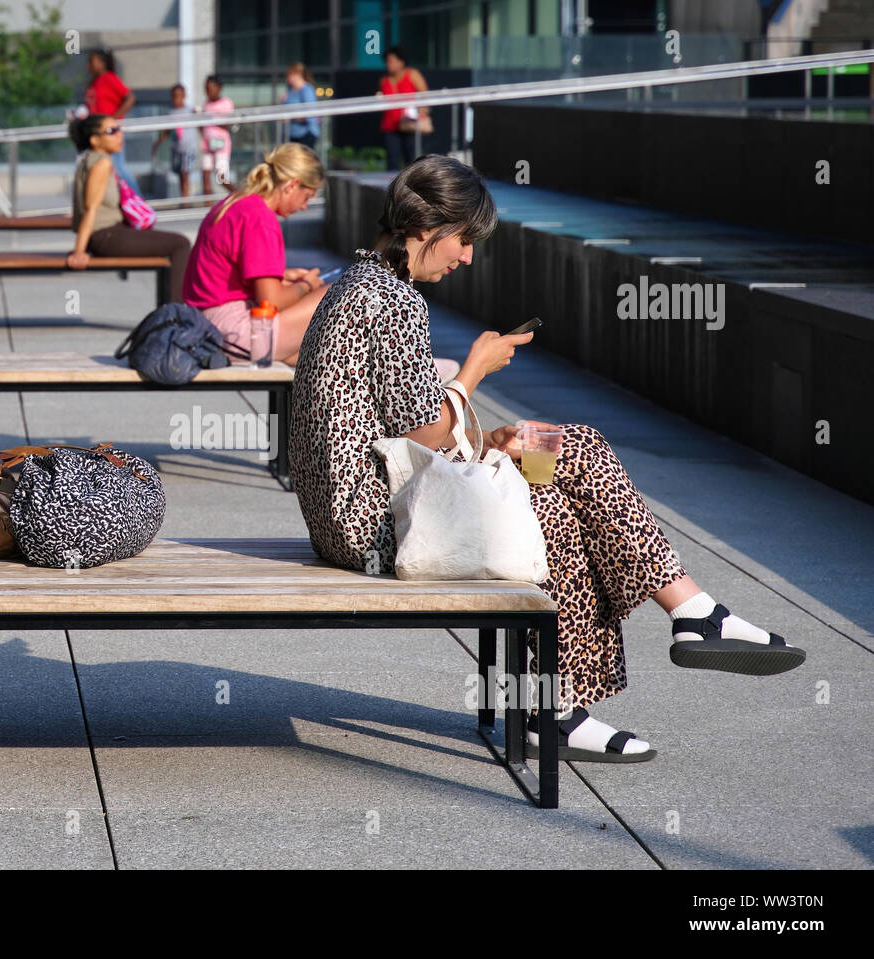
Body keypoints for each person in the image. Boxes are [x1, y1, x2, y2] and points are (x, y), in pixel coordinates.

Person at [289, 155, 806, 764]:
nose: (468, 257)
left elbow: (392, 433)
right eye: (465, 240)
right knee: (570, 463)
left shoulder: (362, 283)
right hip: (372, 529)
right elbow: (425, 436)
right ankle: (656, 640)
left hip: (347, 514)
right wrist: (475, 369)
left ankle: (596, 682)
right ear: (426, 225)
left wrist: (491, 442)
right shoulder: (391, 301)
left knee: (551, 468)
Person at [182, 143, 327, 364]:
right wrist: (307, 286)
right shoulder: (260, 218)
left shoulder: (236, 203)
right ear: (292, 185)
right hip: (233, 333)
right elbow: (271, 300)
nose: (305, 207)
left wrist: (282, 275)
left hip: (204, 325)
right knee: (344, 295)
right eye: (306, 197)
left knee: (314, 357)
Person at [67, 114, 189, 303]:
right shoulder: (101, 163)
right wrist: (78, 251)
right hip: (106, 236)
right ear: (95, 140)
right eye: (111, 131)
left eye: (119, 129)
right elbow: (91, 208)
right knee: (180, 244)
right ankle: (176, 316)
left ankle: (174, 312)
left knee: (171, 242)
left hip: (107, 234)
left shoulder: (89, 160)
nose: (119, 135)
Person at [83, 48, 142, 198]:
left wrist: (113, 119)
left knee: (118, 168)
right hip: (97, 133)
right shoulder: (93, 83)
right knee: (104, 169)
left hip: (110, 133)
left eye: (92, 61)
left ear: (102, 63)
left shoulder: (109, 78)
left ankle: (139, 202)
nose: (89, 65)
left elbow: (130, 98)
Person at [379, 47, 430, 171]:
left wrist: (421, 113)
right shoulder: (384, 80)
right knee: (392, 161)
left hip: (410, 124)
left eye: (391, 61)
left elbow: (425, 96)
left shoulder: (412, 75)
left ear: (401, 62)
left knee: (412, 160)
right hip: (391, 126)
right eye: (387, 61)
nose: (388, 64)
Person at [153, 83, 195, 198]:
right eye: (174, 96)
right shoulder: (170, 113)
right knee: (180, 174)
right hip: (177, 147)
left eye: (179, 95)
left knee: (185, 173)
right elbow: (166, 131)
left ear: (184, 96)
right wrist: (157, 145)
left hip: (188, 147)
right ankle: (184, 197)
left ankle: (186, 199)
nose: (176, 98)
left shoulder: (191, 110)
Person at [199, 75, 234, 195]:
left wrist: (212, 118)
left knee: (221, 177)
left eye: (211, 88)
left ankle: (238, 194)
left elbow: (228, 124)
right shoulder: (206, 105)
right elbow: (203, 127)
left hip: (221, 145)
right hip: (207, 144)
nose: (208, 92)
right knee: (205, 174)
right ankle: (207, 205)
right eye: (206, 89)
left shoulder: (226, 103)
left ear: (219, 88)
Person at [282, 62, 320, 150]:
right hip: (291, 134)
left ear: (297, 75)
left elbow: (309, 115)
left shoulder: (307, 90)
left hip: (305, 134)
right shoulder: (290, 91)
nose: (287, 78)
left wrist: (290, 117)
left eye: (289, 75)